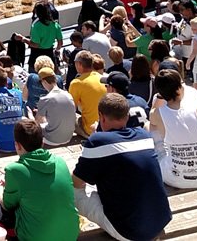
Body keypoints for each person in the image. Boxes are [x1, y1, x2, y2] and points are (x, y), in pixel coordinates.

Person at [73, 94, 172, 241]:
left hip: (130, 231)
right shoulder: (144, 135)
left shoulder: (97, 141)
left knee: (75, 192)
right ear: (126, 117)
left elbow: (77, 182)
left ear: (102, 116)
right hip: (160, 220)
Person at [0, 118, 76, 241]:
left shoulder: (14, 170)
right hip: (69, 235)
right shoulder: (60, 162)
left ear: (17, 145)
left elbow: (7, 205)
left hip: (34, 237)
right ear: (42, 142)